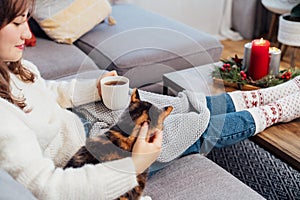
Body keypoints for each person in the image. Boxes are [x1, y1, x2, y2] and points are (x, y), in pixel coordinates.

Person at [0, 0, 299, 199]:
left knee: (164, 102)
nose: (27, 35)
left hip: (79, 122)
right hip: (84, 155)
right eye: (16, 23)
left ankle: (259, 97)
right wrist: (136, 164)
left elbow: (47, 91)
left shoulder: (12, 66)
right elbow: (48, 189)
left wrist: (96, 88)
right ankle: (274, 112)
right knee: (187, 128)